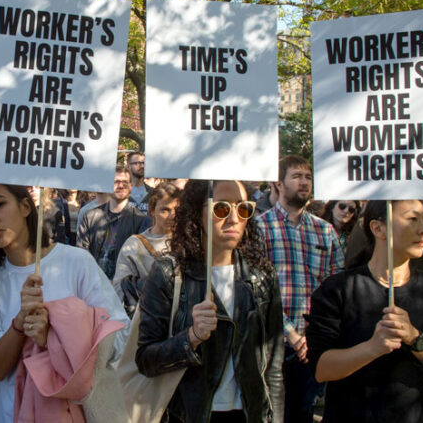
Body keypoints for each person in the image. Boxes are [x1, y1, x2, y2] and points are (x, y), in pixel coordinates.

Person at [0, 182, 129, 423]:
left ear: (25, 206)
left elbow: (119, 337)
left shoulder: (76, 262)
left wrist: (55, 336)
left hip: (75, 411)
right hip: (11, 412)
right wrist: (19, 324)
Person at [136, 180, 284, 423]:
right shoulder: (169, 274)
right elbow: (146, 360)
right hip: (188, 414)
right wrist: (191, 337)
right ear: (197, 212)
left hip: (248, 414)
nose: (234, 218)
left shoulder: (261, 276)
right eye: (221, 208)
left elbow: (273, 369)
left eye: (243, 208)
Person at [307, 199, 423, 422]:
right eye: (412, 219)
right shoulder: (338, 289)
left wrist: (415, 338)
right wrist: (372, 348)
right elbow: (321, 369)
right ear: (378, 228)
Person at [255, 155, 343, 423]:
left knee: (302, 414)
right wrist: (290, 332)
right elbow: (257, 289)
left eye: (307, 176)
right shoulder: (259, 227)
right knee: (269, 414)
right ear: (278, 183)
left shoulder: (325, 231)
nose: (304, 182)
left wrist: (315, 333)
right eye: (296, 176)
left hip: (312, 346)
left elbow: (335, 288)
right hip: (271, 342)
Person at [112, 182, 180, 316]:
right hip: (147, 321)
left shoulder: (189, 243)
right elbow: (120, 291)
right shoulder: (134, 245)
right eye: (165, 210)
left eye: (177, 209)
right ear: (152, 211)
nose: (172, 215)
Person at [76, 166, 148, 278]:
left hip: (122, 288)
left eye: (125, 182)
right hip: (93, 282)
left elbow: (139, 260)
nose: (120, 186)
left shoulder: (140, 220)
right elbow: (82, 251)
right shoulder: (90, 216)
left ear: (131, 186)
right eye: (116, 182)